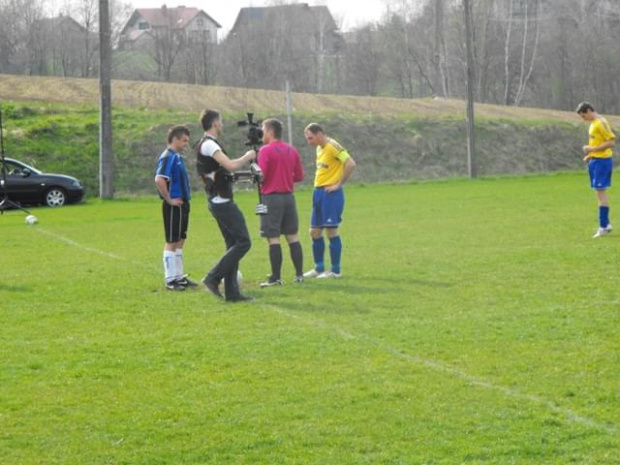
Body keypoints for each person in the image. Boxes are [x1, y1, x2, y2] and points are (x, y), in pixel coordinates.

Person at [196, 109, 256, 302]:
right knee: (244, 242)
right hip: (222, 202)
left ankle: (232, 293)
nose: (222, 125)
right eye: (220, 121)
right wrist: (248, 156)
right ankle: (213, 277)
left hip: (218, 200)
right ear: (214, 123)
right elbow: (229, 165)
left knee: (232, 244)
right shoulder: (209, 145)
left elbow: (222, 172)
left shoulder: (205, 145)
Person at [303, 123, 356, 279]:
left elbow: (350, 163)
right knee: (314, 231)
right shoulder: (320, 148)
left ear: (320, 134)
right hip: (318, 193)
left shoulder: (333, 146)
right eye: (307, 139)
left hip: (331, 195)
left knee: (331, 231)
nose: (309, 142)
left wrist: (338, 184)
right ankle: (319, 268)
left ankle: (335, 271)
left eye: (311, 138)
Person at [256, 118, 305, 287]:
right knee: (292, 236)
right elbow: (299, 176)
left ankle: (276, 277)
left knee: (273, 237)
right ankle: (299, 275)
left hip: (271, 198)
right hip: (289, 198)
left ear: (270, 132)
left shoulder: (265, 151)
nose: (261, 133)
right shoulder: (292, 150)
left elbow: (261, 176)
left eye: (263, 130)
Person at [154, 125, 197, 291]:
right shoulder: (167, 156)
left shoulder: (177, 157)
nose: (186, 144)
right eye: (184, 140)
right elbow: (159, 179)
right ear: (175, 139)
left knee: (180, 240)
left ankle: (179, 277)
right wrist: (169, 199)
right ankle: (170, 280)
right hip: (174, 205)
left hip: (183, 204)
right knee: (171, 241)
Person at [576, 102, 617, 238]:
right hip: (595, 160)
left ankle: (603, 226)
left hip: (602, 162)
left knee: (601, 193)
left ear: (589, 111)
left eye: (584, 116)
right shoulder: (593, 123)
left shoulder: (601, 122)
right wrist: (590, 155)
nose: (584, 119)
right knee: (599, 193)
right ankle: (607, 224)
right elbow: (598, 142)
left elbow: (611, 142)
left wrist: (592, 150)